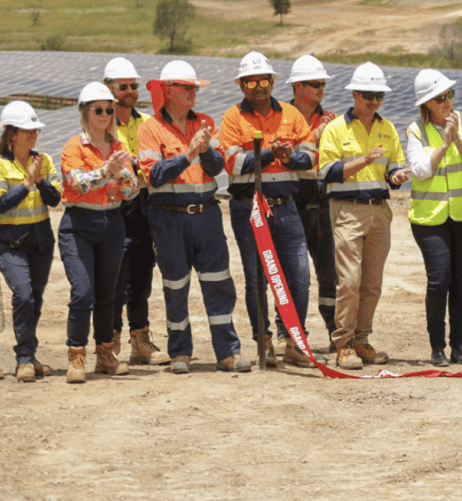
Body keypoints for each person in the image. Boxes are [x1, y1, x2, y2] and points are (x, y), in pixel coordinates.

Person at [139, 60, 252, 374]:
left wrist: (203, 151)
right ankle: (180, 352)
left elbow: (216, 167)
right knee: (176, 287)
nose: (193, 93)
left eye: (194, 89)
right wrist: (187, 154)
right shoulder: (149, 128)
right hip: (168, 218)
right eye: (187, 88)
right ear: (168, 91)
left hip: (207, 215)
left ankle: (227, 353)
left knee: (219, 283)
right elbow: (155, 176)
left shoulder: (205, 122)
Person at [220, 51, 317, 368]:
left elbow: (312, 158)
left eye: (264, 80)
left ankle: (293, 340)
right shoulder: (233, 119)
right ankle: (264, 342)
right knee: (256, 279)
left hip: (286, 208)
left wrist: (288, 157)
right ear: (242, 85)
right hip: (249, 209)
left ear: (273, 82)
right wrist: (267, 153)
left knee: (299, 276)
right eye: (251, 82)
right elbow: (234, 165)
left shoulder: (291, 115)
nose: (259, 87)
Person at [319, 62, 409, 370]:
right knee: (350, 281)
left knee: (372, 282)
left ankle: (362, 339)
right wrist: (363, 160)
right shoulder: (335, 129)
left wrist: (397, 176)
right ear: (355, 94)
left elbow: (394, 163)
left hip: (379, 211)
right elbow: (327, 172)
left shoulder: (388, 128)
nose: (374, 100)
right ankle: (342, 343)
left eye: (379, 95)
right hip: (347, 210)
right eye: (369, 94)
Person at [59, 83, 140, 383]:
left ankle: (105, 353)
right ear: (85, 112)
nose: (106, 115)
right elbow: (78, 183)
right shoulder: (74, 147)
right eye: (99, 109)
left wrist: (119, 175)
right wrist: (108, 172)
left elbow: (131, 191)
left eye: (109, 109)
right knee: (83, 292)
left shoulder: (119, 148)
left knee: (109, 292)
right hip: (78, 225)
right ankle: (75, 355)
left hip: (112, 222)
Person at [406, 69, 462, 367]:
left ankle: (458, 346)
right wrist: (444, 145)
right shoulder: (415, 130)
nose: (447, 101)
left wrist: (458, 139)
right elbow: (421, 169)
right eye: (440, 98)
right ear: (427, 104)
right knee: (439, 279)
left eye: (449, 95)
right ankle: (437, 346)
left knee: (460, 280)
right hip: (430, 219)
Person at [105, 57, 169, 367]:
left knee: (143, 275)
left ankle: (139, 340)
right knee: (117, 276)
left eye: (133, 86)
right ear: (109, 89)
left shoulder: (147, 123)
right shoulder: (101, 126)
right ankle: (111, 340)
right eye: (123, 87)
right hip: (115, 207)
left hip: (144, 206)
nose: (130, 91)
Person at [0, 101, 61, 383]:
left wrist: (40, 181)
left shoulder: (44, 160)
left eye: (35, 130)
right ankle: (24, 358)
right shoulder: (1, 164)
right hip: (9, 243)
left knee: (34, 300)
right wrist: (27, 184)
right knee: (22, 295)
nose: (33, 135)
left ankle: (29, 355)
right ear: (12, 133)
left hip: (40, 241)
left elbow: (55, 199)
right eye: (27, 131)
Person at [287, 54, 339, 352]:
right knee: (296, 276)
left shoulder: (332, 119)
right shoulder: (281, 118)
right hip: (292, 202)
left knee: (330, 274)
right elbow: (277, 156)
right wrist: (311, 139)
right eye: (315, 84)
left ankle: (335, 331)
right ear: (297, 87)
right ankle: (294, 336)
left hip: (324, 203)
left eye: (322, 84)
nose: (321, 88)